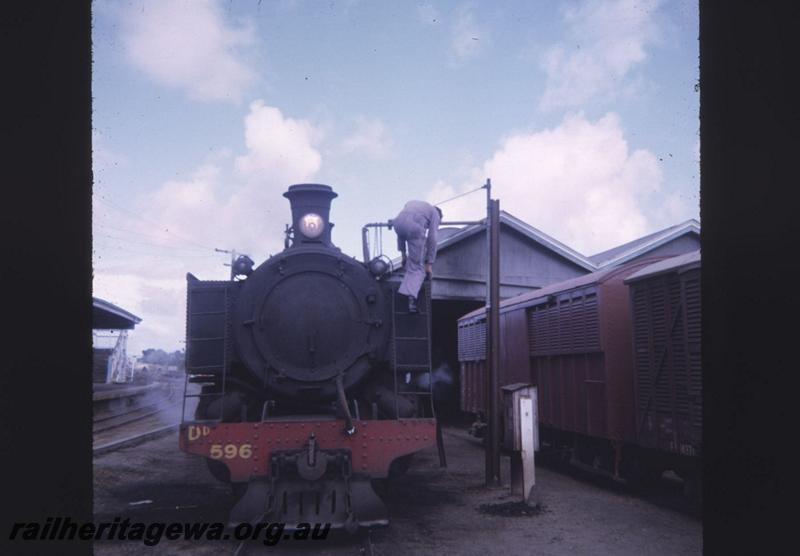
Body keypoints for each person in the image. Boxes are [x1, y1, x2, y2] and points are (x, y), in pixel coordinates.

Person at [393, 200, 442, 313]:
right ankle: (411, 301)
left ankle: (407, 288)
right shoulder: (435, 213)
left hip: (398, 223)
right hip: (414, 228)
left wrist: (403, 255)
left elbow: (401, 236)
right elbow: (432, 238)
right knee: (418, 267)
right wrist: (429, 263)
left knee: (412, 261)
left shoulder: (415, 204)